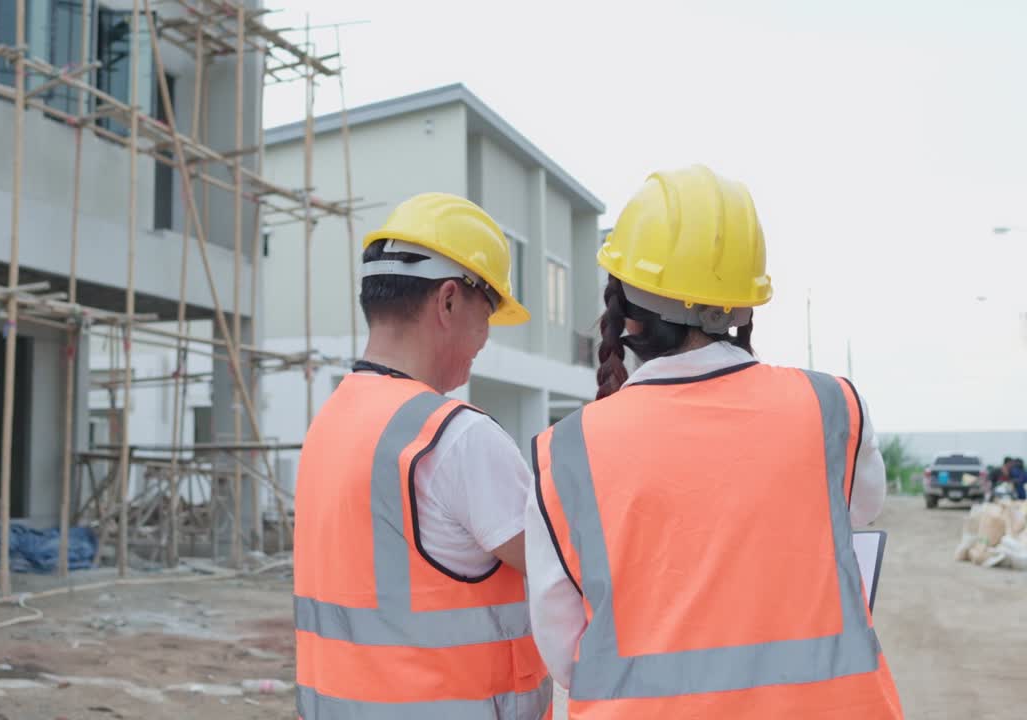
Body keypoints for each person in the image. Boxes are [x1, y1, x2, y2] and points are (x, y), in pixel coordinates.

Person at [524, 165, 904, 718]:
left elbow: (562, 646)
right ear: (745, 304)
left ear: (625, 312)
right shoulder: (832, 408)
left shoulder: (565, 451)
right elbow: (861, 509)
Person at [292, 192, 553, 718]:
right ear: (450, 301)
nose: (484, 339)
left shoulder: (330, 424)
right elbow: (573, 569)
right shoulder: (455, 438)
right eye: (488, 314)